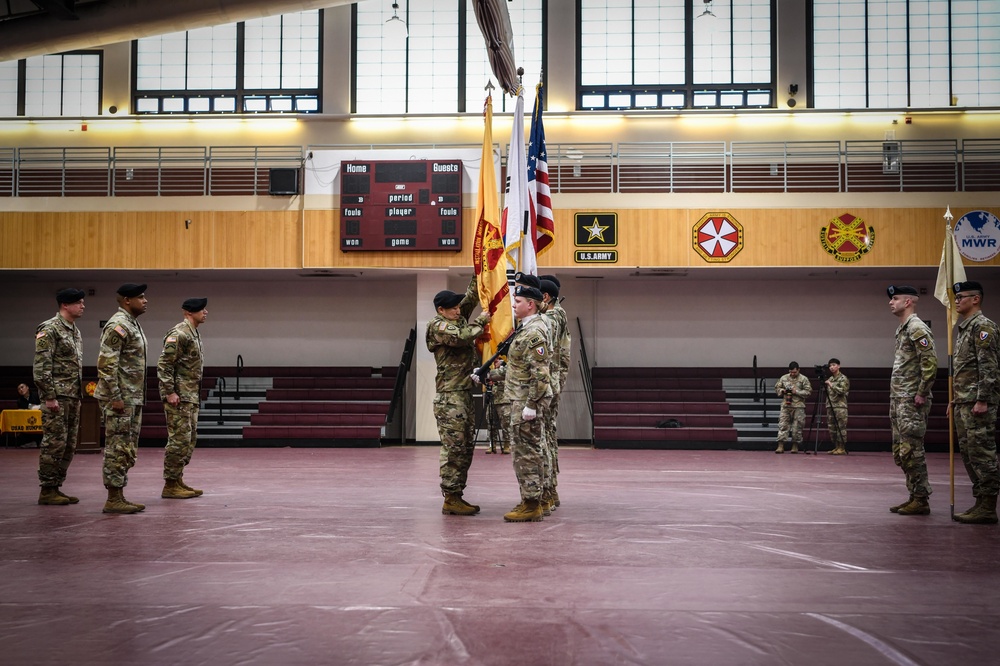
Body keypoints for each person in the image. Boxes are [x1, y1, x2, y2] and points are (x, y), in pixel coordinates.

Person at [426, 277, 490, 516]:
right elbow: (463, 336)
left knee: (465, 448)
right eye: (453, 307)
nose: (457, 310)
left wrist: (479, 274)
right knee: (454, 449)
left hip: (463, 395)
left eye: (457, 306)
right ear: (441, 309)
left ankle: (457, 495)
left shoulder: (455, 316)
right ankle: (450, 496)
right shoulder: (438, 325)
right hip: (449, 398)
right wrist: (482, 321)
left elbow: (471, 298)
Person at [493, 283, 552, 522]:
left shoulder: (534, 332)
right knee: (526, 452)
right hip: (519, 398)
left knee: (526, 454)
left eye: (517, 302)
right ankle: (532, 499)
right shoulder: (525, 329)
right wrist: (491, 374)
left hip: (525, 402)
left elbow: (541, 374)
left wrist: (532, 404)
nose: (513, 306)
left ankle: (531, 503)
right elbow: (519, 368)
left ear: (531, 304)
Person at [95, 283, 149, 515]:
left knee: (126, 448)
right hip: (121, 399)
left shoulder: (131, 324)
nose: (145, 300)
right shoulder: (118, 326)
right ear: (127, 300)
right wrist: (115, 396)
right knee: (117, 447)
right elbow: (107, 365)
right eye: (141, 297)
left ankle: (119, 494)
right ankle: (113, 498)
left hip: (131, 397)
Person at [949, 281, 999, 525]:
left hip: (977, 404)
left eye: (961, 297)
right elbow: (965, 370)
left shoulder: (983, 327)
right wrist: (955, 399)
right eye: (956, 297)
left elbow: (988, 368)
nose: (957, 301)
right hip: (964, 402)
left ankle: (988, 505)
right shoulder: (965, 328)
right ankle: (980, 502)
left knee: (982, 453)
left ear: (976, 299)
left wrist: (982, 399)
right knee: (969, 454)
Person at [32, 288, 85, 505]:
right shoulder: (50, 329)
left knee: (68, 445)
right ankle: (47, 489)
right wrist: (49, 396)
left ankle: (56, 485)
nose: (83, 306)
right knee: (53, 443)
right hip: (57, 397)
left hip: (72, 396)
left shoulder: (74, 331)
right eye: (79, 302)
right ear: (65, 304)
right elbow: (42, 366)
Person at [887, 285, 937, 516]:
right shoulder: (902, 329)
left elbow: (930, 363)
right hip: (900, 398)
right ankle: (913, 495)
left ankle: (921, 498)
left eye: (895, 298)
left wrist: (922, 392)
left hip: (911, 399)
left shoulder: (917, 328)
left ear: (908, 302)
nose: (890, 302)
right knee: (901, 452)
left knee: (912, 449)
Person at [158, 297, 208, 500]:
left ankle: (177, 479)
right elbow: (165, 365)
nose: (205, 312)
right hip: (179, 397)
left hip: (190, 396)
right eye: (201, 309)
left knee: (188, 440)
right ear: (188, 312)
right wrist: (170, 392)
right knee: (179, 441)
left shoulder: (193, 333)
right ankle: (170, 484)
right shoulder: (179, 334)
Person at [539, 276, 569, 512]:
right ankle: (551, 489)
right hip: (554, 382)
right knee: (548, 436)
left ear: (545, 297)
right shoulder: (559, 313)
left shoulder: (551, 318)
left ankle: (546, 491)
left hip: (546, 383)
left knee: (543, 439)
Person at [774, 361, 811, 453]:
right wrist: (782, 390)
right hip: (786, 405)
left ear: (798, 370)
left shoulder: (803, 379)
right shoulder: (784, 378)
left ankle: (795, 445)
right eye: (791, 372)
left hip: (798, 406)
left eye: (794, 372)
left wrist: (796, 392)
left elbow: (808, 392)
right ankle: (781, 445)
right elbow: (777, 388)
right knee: (783, 425)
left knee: (797, 426)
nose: (792, 374)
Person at [825, 358, 850, 455]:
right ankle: (836, 446)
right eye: (830, 365)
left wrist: (831, 385)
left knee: (841, 427)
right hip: (831, 405)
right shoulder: (830, 379)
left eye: (834, 365)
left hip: (840, 406)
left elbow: (842, 390)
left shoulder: (843, 378)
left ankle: (842, 447)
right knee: (832, 428)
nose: (831, 367)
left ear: (839, 366)